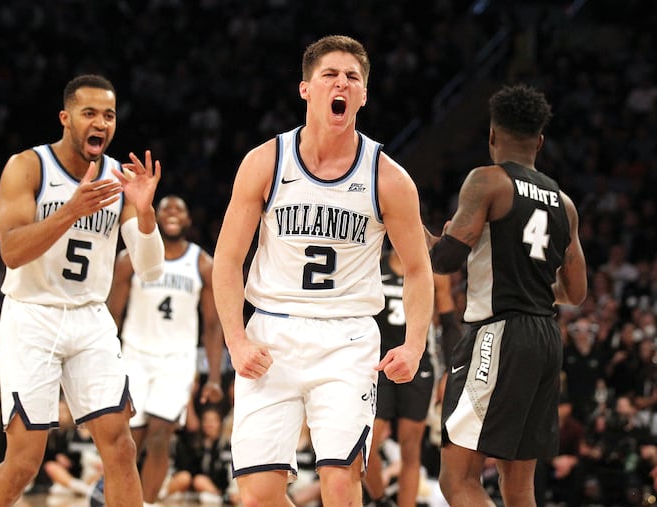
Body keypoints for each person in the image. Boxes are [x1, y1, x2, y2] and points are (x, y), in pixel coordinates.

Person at [212, 35, 434, 506]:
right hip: (271, 333)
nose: (342, 83)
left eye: (353, 77)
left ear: (364, 95)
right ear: (306, 89)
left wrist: (414, 344)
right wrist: (236, 338)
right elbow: (228, 261)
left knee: (338, 481)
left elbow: (418, 269)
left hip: (347, 338)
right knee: (257, 497)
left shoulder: (388, 177)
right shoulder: (265, 161)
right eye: (330, 75)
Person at [0, 74, 166, 507]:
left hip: (89, 317)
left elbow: (151, 268)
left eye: (109, 115)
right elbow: (11, 251)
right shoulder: (28, 166)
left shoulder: (119, 177)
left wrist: (144, 211)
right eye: (89, 113)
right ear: (66, 118)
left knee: (120, 446)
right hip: (32, 315)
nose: (100, 122)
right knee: (25, 460)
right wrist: (71, 211)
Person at [425, 83, 588, 506]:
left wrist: (412, 231)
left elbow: (444, 258)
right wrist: (528, 278)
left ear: (493, 135)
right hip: (546, 339)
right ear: (540, 141)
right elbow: (576, 292)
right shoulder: (564, 204)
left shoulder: (487, 181)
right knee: (518, 488)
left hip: (499, 334)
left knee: (457, 479)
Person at [107, 194, 224, 505]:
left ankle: (144, 504)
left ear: (188, 221)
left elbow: (213, 325)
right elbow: (111, 314)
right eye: (166, 208)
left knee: (161, 434)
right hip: (134, 354)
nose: (173, 212)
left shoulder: (202, 263)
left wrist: (213, 375)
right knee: (129, 439)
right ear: (155, 218)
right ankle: (120, 498)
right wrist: (103, 360)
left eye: (180, 208)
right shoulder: (130, 257)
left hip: (178, 359)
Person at [366, 249, 461, 507]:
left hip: (418, 365)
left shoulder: (434, 273)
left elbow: (450, 324)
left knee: (411, 448)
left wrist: (451, 373)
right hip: (378, 363)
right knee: (367, 444)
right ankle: (380, 498)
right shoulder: (374, 262)